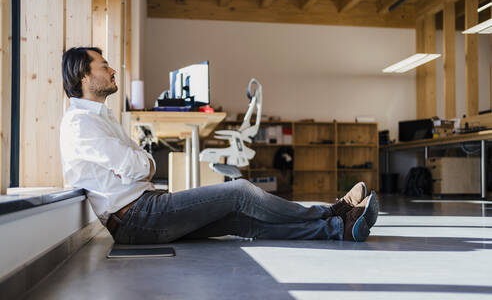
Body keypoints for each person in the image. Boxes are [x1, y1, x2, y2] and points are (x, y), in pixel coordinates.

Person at [59, 47, 379, 245]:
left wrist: (138, 162)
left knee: (241, 221)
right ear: (84, 77)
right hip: (137, 218)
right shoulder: (80, 124)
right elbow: (141, 165)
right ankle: (329, 212)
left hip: (143, 209)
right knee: (238, 191)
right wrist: (140, 162)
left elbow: (137, 165)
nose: (112, 70)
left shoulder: (102, 119)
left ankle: (337, 229)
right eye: (104, 66)